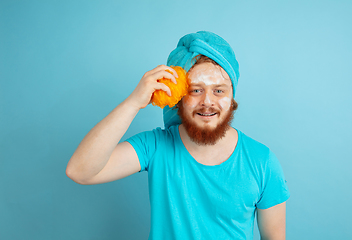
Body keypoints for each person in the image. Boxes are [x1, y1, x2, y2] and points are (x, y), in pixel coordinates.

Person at [66, 31, 290, 240]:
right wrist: (134, 102)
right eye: (195, 90)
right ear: (179, 97)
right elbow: (80, 171)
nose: (208, 101)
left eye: (219, 90)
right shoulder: (154, 146)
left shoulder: (263, 161)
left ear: (232, 98)